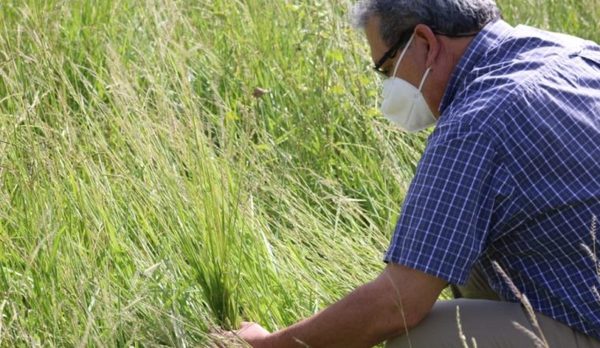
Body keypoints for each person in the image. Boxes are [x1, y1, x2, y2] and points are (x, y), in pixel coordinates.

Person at [234, 0, 600, 347]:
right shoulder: (572, 51)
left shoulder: (477, 120)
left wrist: (269, 345)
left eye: (387, 69)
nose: (388, 87)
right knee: (466, 246)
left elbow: (396, 305)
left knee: (419, 340)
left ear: (425, 41)